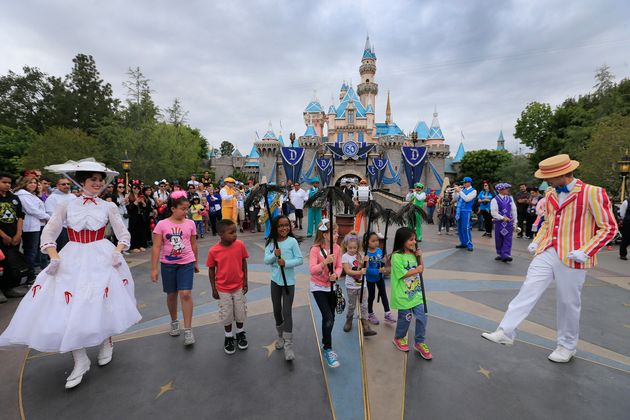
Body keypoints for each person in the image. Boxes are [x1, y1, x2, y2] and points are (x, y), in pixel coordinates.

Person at [0, 159, 141, 389]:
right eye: (92, 180)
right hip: (72, 257)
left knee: (100, 302)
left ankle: (107, 341)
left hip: (101, 257)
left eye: (100, 180)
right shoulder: (66, 205)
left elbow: (124, 236)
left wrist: (117, 251)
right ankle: (80, 359)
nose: (97, 183)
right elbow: (49, 234)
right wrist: (54, 256)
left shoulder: (109, 207)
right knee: (69, 307)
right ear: (82, 181)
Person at [482, 154, 617, 363]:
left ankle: (567, 345)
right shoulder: (552, 193)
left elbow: (609, 227)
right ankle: (506, 331)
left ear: (563, 174)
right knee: (528, 288)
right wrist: (538, 240)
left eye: (549, 177)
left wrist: (586, 251)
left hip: (574, 256)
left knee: (568, 302)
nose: (546, 182)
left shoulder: (593, 193)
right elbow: (548, 222)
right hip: (548, 250)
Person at [151, 191, 199, 346]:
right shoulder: (162, 224)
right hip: (168, 264)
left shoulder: (190, 223)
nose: (186, 212)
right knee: (172, 295)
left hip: (187, 262)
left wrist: (196, 262)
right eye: (183, 209)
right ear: (173, 208)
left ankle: (188, 329)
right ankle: (174, 321)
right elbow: (157, 246)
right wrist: (154, 268)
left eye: (187, 209)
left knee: (185, 293)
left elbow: (193, 244)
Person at [264, 215, 304, 361]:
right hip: (275, 281)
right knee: (276, 310)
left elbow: (299, 260)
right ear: (275, 227)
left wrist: (285, 263)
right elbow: (265, 259)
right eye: (280, 225)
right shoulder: (272, 242)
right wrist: (274, 256)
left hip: (289, 282)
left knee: (287, 311)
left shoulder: (292, 241)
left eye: (286, 225)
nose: (284, 228)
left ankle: (288, 344)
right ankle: (280, 336)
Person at [207, 219, 249, 355]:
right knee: (227, 314)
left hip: (238, 286)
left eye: (235, 232)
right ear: (220, 234)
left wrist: (245, 282)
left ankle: (240, 333)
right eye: (231, 233)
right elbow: (211, 270)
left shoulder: (240, 245)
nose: (235, 235)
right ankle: (229, 336)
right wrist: (213, 288)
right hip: (223, 288)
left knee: (240, 312)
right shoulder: (214, 251)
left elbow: (244, 263)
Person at [390, 227, 432, 360]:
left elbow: (421, 269)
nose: (414, 242)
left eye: (414, 239)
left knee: (422, 317)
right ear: (402, 241)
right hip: (403, 295)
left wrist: (420, 257)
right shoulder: (396, 256)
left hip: (416, 294)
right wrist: (417, 269)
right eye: (411, 240)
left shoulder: (414, 254)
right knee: (406, 318)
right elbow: (402, 274)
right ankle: (399, 337)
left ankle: (419, 342)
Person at [309, 219, 342, 368]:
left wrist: (336, 274)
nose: (337, 235)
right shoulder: (315, 249)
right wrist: (324, 262)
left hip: (332, 287)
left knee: (331, 317)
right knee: (327, 316)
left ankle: (325, 342)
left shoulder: (337, 248)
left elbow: (340, 266)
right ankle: (329, 349)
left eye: (337, 232)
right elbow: (312, 269)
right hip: (318, 287)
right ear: (325, 234)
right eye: (334, 233)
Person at [340, 232, 377, 336]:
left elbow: (365, 267)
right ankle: (349, 319)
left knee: (364, 304)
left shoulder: (360, 255)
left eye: (354, 248)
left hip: (362, 285)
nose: (352, 250)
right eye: (350, 247)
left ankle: (365, 324)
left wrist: (366, 261)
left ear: (357, 247)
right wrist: (360, 272)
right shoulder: (345, 257)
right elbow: (347, 271)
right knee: (352, 305)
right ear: (346, 246)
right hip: (351, 285)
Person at [14, 175, 49, 283]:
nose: (33, 185)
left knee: (34, 251)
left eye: (35, 183)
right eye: (30, 183)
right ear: (24, 184)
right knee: (31, 251)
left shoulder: (31, 195)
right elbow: (32, 210)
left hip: (36, 225)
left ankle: (32, 273)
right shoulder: (22, 195)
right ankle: (29, 276)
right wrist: (47, 217)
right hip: (29, 227)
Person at [0, 172, 28, 302]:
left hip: (13, 236)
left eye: (9, 183)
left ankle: (10, 287)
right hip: (2, 237)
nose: (7, 185)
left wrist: (18, 233)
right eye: (4, 182)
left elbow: (20, 216)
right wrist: (3, 235)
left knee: (12, 262)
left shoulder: (14, 198)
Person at [363, 231, 394, 325]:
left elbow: (381, 263)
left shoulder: (379, 251)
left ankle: (387, 313)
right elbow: (367, 270)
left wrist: (384, 262)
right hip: (370, 279)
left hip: (380, 277)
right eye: (373, 241)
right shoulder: (366, 255)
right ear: (367, 242)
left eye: (377, 240)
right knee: (371, 296)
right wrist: (378, 271)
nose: (376, 242)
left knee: (383, 294)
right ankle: (370, 313)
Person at [45, 177, 75, 250]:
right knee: (61, 249)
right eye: (63, 184)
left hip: (73, 227)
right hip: (61, 228)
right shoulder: (52, 197)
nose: (66, 186)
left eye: (68, 184)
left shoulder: (73, 196)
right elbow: (50, 213)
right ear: (58, 186)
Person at [491, 183, 518, 262]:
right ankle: (500, 253)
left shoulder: (510, 198)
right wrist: (502, 218)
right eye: (506, 189)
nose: (507, 190)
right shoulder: (495, 200)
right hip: (499, 222)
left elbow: (514, 210)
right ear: (501, 190)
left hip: (509, 222)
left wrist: (515, 221)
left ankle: (506, 254)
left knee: (508, 238)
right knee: (498, 238)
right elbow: (494, 213)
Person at [455, 177, 477, 251]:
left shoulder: (473, 191)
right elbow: (456, 199)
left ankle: (469, 244)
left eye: (464, 182)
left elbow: (467, 199)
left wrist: (460, 191)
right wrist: (455, 192)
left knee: (466, 227)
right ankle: (463, 243)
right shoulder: (463, 190)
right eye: (463, 183)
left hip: (466, 211)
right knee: (460, 228)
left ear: (469, 183)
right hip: (459, 210)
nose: (463, 184)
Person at [127, 182, 148, 253]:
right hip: (133, 216)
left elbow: (145, 207)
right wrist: (135, 202)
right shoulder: (129, 196)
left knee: (141, 231)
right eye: (135, 188)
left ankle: (141, 245)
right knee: (133, 231)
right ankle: (133, 246)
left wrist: (143, 203)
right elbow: (129, 208)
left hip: (140, 216)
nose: (136, 189)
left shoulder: (142, 196)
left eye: (138, 188)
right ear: (132, 189)